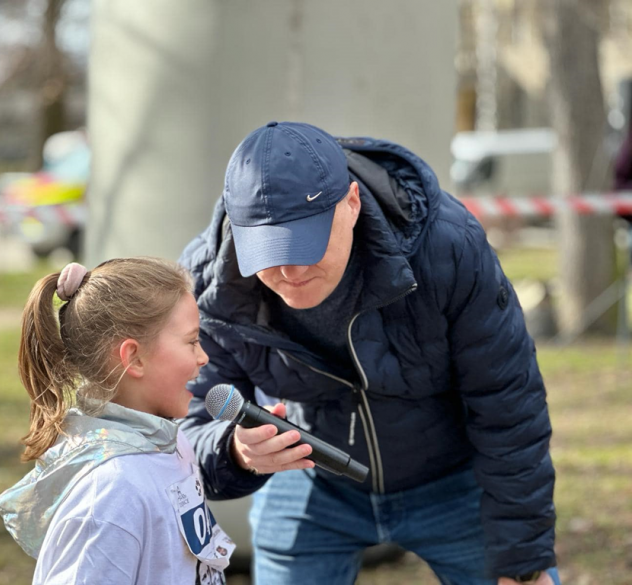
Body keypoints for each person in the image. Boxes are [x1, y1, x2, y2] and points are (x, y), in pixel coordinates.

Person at [179, 121, 561, 585]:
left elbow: (508, 403)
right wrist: (235, 452)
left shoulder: (448, 246)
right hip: (312, 481)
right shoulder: (207, 285)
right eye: (268, 250)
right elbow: (190, 427)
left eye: (306, 242)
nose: (290, 270)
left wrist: (522, 560)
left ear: (353, 203)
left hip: (455, 480)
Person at [0, 258, 235, 584]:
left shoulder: (171, 443)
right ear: (133, 357)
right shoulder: (109, 494)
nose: (203, 356)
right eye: (192, 341)